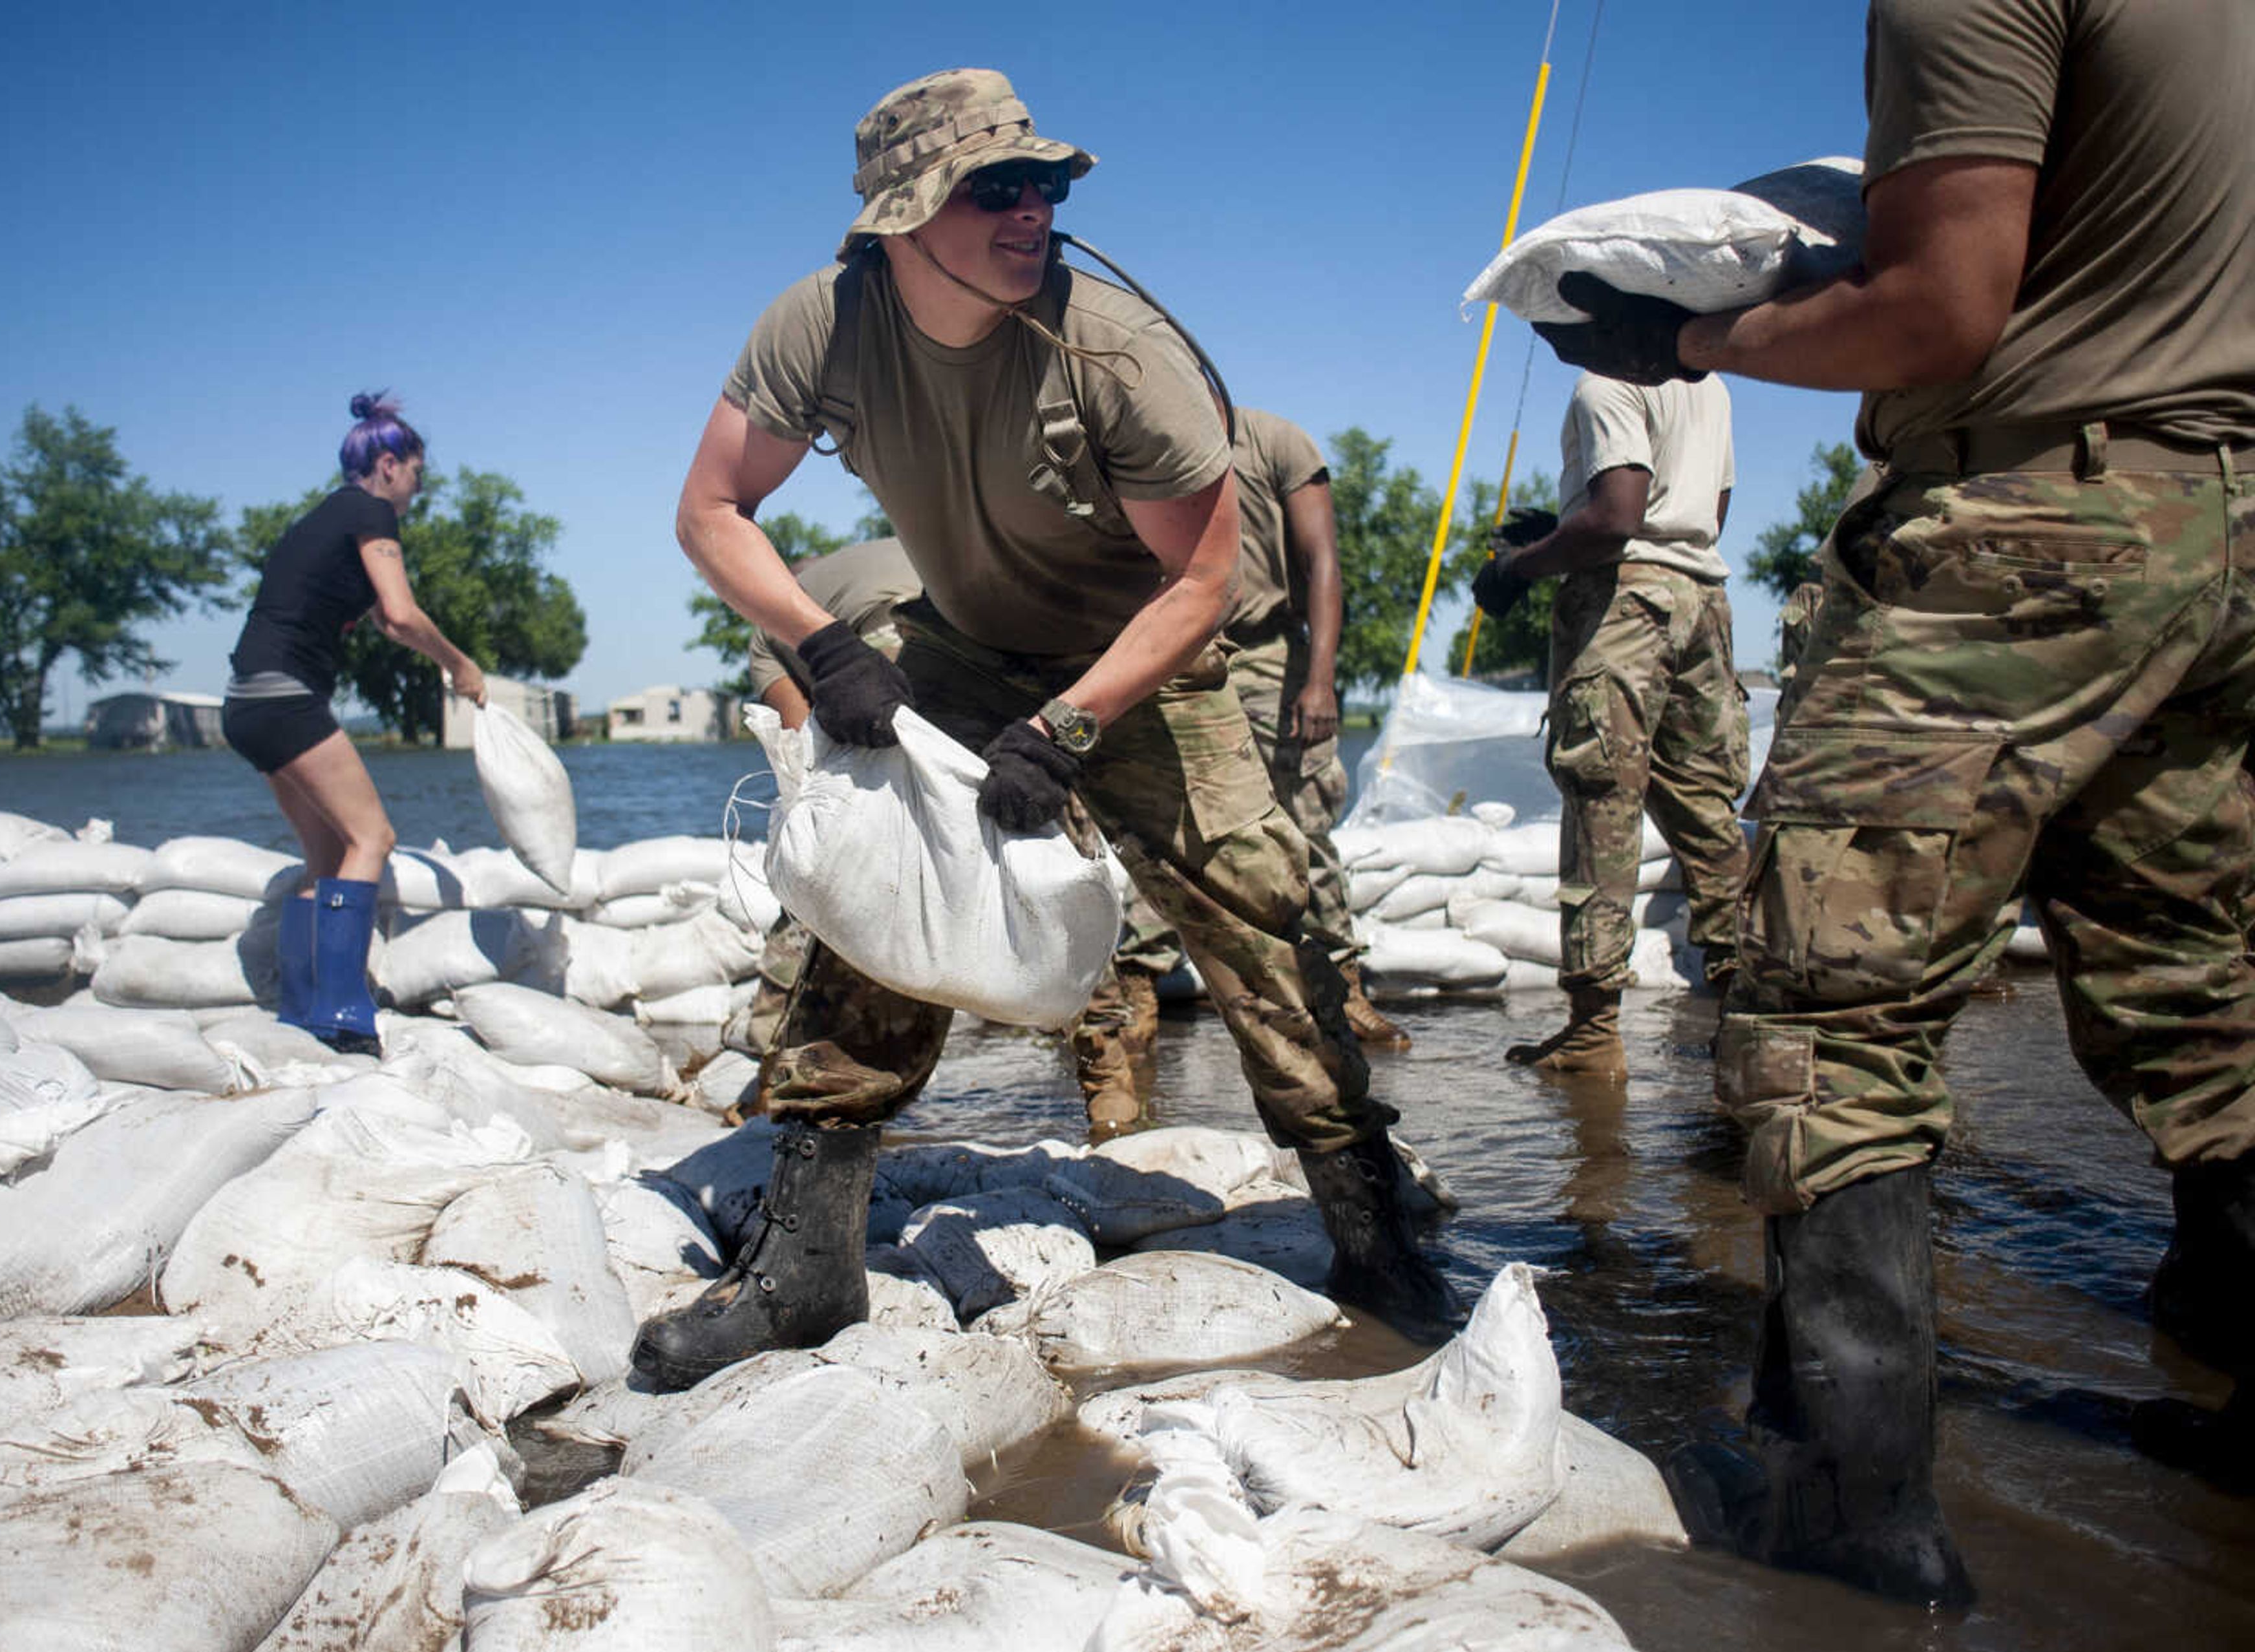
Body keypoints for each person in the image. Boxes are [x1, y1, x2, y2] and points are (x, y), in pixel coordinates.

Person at [1533, 0, 2255, 1608]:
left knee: (1823, 1007)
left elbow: (1933, 308)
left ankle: (1848, 1524)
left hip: (2029, 521)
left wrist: (1690, 339)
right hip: (2222, 522)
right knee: (2198, 982)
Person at [639, 67, 1461, 1393]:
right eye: (995, 191)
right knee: (866, 925)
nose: (1034, 213)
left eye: (1047, 187)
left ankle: (1377, 1247)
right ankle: (803, 1269)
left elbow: (1204, 582)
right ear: (903, 220)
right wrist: (827, 643)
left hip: (1145, 662)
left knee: (1263, 928)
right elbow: (712, 509)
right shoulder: (823, 324)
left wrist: (1072, 727)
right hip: (960, 647)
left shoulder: (1118, 351)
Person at [1076, 405, 1408, 1140]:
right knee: (1160, 829)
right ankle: (1141, 985)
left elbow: (1322, 560)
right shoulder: (1142, 438)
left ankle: (1339, 984)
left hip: (1268, 658)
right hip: (1170, 648)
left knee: (1302, 826)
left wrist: (1319, 679)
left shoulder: (1278, 441)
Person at [1470, 371, 1750, 1079]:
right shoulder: (1708, 386)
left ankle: (1594, 1032)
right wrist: (1565, 530)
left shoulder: (1608, 383)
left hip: (1622, 609)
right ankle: (1748, 1015)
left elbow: (1617, 519)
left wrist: (1519, 566)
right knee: (1707, 814)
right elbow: (1707, 511)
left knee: (1603, 808)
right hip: (1701, 601)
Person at [221, 394, 487, 1057]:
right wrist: (460, 665)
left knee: (327, 856)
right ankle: (344, 1014)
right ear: (390, 465)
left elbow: (374, 614)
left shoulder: (320, 518)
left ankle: (301, 1009)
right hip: (287, 697)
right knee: (374, 836)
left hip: (247, 701)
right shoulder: (371, 511)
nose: (416, 494)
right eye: (418, 478)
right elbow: (399, 614)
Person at [735, 536, 922, 1062]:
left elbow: (807, 757)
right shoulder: (878, 554)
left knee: (828, 844)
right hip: (964, 614)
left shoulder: (769, 633)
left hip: (892, 633)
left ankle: (775, 1039)